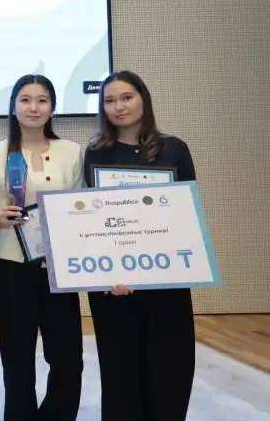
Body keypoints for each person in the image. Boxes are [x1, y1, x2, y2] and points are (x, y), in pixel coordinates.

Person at [83, 70, 198, 421]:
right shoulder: (96, 153)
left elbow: (187, 213)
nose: (118, 107)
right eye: (109, 100)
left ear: (143, 98)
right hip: (116, 287)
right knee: (121, 376)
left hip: (165, 282)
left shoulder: (174, 149)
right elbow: (94, 219)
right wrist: (109, 272)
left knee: (170, 372)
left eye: (126, 97)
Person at [0, 75, 83, 420]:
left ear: (53, 107)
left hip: (59, 270)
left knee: (67, 359)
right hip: (12, 267)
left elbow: (83, 204)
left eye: (42, 100)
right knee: (18, 360)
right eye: (25, 100)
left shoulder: (72, 152)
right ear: (13, 106)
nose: (34, 107)